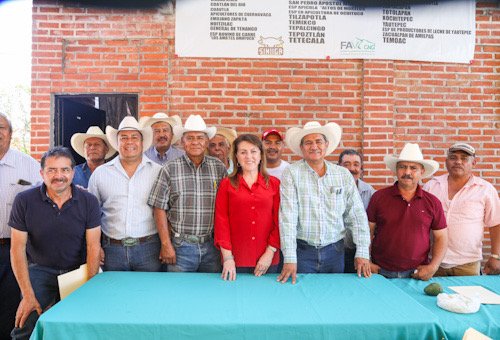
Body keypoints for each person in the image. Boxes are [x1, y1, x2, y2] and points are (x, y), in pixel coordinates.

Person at [9, 147, 101, 339]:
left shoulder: (89, 201)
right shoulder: (24, 200)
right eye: (52, 170)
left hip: (76, 270)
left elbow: (93, 247)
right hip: (40, 269)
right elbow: (17, 248)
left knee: (78, 325)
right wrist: (27, 295)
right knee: (26, 322)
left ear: (73, 173)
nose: (59, 176)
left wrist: (90, 287)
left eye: (65, 170)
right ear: (42, 173)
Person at [277, 121, 371, 284]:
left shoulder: (342, 175)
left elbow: (356, 215)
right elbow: (288, 218)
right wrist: (290, 257)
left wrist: (362, 252)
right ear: (302, 147)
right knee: (301, 298)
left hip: (335, 252)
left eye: (318, 141)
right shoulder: (291, 173)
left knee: (333, 298)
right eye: (308, 142)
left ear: (326, 145)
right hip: (303, 252)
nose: (314, 146)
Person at [148, 115, 227, 272]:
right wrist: (166, 245)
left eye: (199, 138)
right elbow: (158, 208)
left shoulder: (218, 168)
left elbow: (227, 208)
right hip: (180, 247)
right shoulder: (170, 168)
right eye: (190, 138)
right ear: (182, 142)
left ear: (206, 142)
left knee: (211, 293)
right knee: (178, 294)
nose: (195, 142)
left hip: (212, 247)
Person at [88, 116, 162, 272]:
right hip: (112, 250)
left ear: (142, 143)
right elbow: (90, 215)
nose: (129, 142)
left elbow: (165, 211)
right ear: (117, 143)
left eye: (134, 137)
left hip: (149, 248)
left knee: (148, 294)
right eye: (124, 138)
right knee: (114, 295)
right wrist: (96, 247)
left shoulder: (158, 171)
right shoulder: (100, 174)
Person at [367, 143, 448, 280]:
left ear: (422, 171)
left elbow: (441, 237)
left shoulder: (432, 202)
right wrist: (366, 260)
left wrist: (433, 266)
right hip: (380, 271)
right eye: (402, 167)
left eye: (413, 168)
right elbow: (367, 231)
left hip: (417, 273)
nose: (407, 172)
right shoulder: (379, 197)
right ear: (396, 170)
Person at [424, 143, 500, 276]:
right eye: (453, 157)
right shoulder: (432, 186)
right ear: (446, 162)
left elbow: (495, 223)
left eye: (464, 158)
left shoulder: (485, 189)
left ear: (474, 162)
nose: (458, 161)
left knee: (469, 297)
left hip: (468, 264)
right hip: (433, 263)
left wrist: (496, 255)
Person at [214, 134, 280, 281]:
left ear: (261, 155)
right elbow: (221, 221)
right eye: (243, 152)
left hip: (268, 259)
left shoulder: (275, 184)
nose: (248, 156)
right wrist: (227, 258)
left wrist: (270, 252)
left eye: (253, 151)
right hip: (235, 259)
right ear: (236, 156)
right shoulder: (226, 184)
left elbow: (279, 221)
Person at [0, 113, 41, 340]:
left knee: (11, 309)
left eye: (2, 127)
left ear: (10, 133)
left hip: (12, 251)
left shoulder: (29, 166)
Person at [338, 149, 376, 273]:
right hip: (334, 251)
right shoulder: (331, 189)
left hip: (359, 252)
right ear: (339, 167)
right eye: (346, 164)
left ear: (361, 169)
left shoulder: (370, 192)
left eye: (356, 164)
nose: (351, 168)